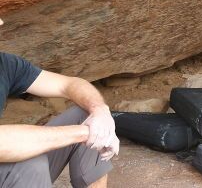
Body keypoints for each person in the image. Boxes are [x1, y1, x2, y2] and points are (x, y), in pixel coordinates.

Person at [0, 22, 119, 188]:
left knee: (89, 115)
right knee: (31, 165)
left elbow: (68, 85)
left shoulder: (5, 64)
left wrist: (100, 111)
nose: (1, 22)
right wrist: (84, 133)